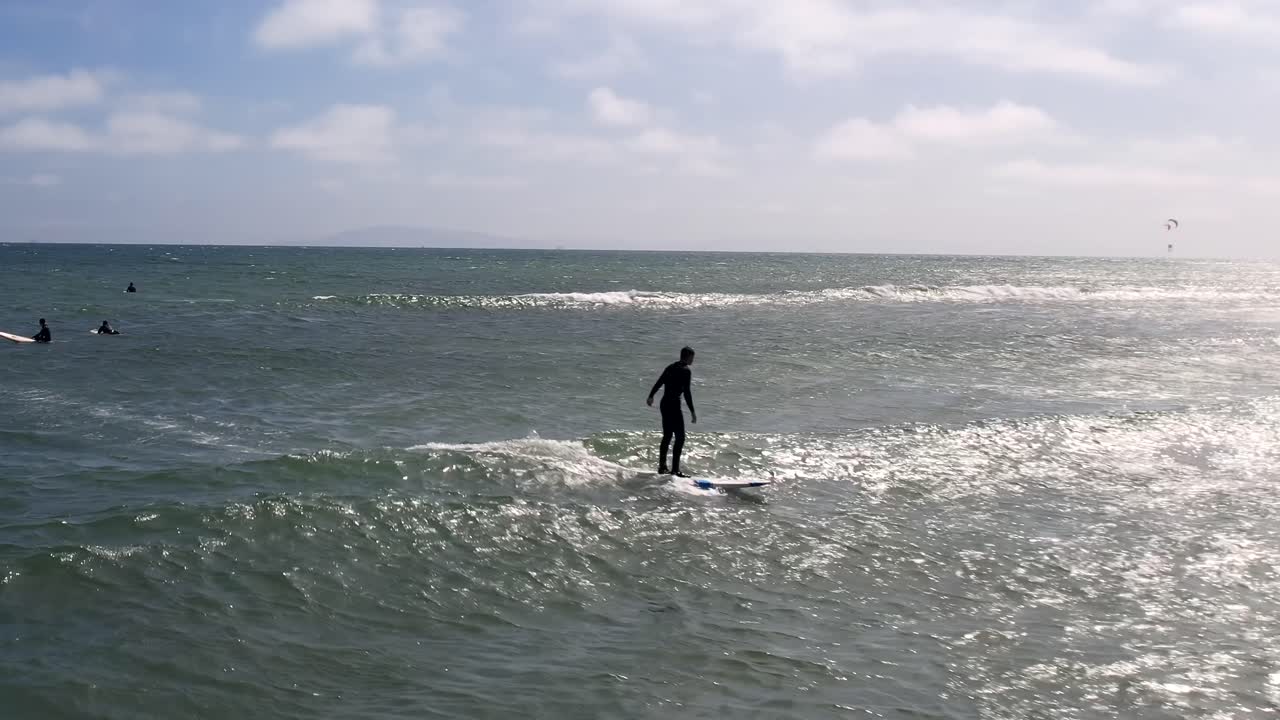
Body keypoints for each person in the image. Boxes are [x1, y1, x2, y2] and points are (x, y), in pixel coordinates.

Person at [646, 346, 697, 477]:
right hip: (674, 405)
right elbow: (687, 393)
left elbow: (659, 382)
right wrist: (692, 411)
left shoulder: (670, 367)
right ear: (687, 357)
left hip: (665, 404)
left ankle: (662, 467)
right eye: (692, 357)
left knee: (667, 436)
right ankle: (675, 470)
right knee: (680, 438)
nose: (693, 360)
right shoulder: (686, 371)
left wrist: (651, 396)